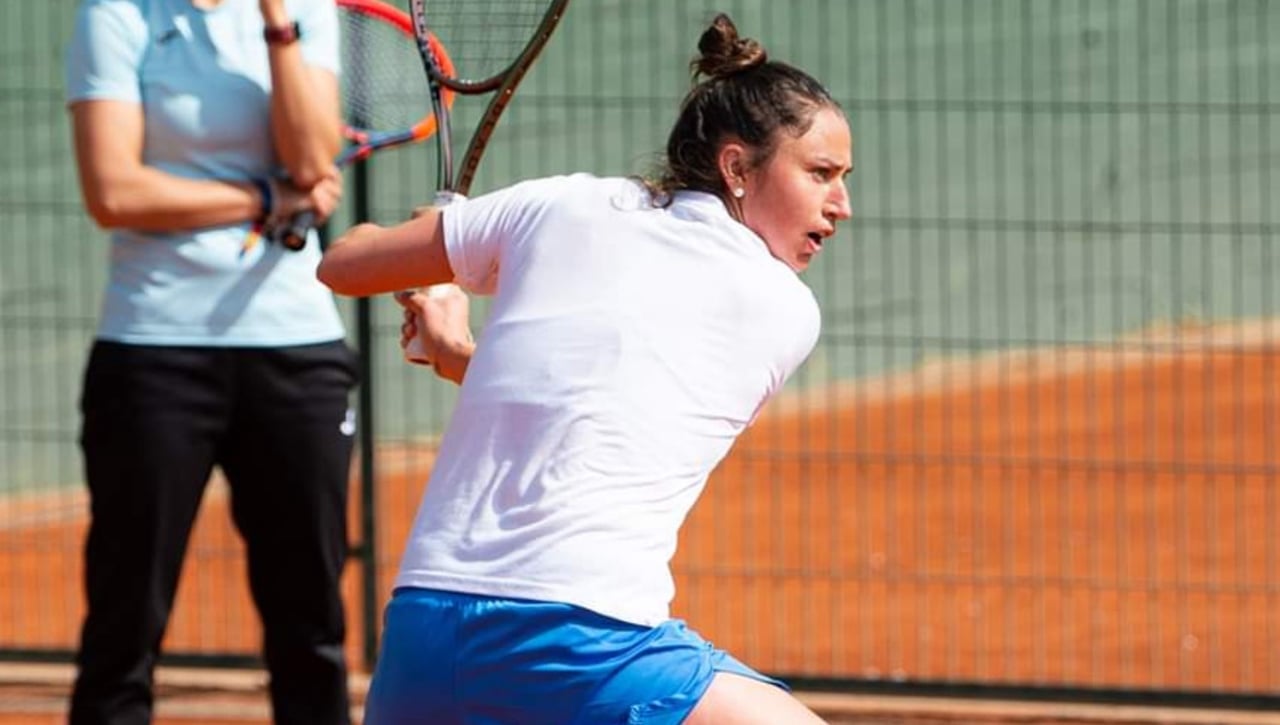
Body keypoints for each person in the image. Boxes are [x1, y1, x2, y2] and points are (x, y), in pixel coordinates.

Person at [319, 12, 851, 724]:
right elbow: (618, 406)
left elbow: (342, 264)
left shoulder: (559, 201)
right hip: (583, 646)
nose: (842, 205)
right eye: (821, 174)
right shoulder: (784, 310)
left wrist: (435, 259)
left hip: (423, 639)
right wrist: (458, 336)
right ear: (736, 168)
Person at [64, 0, 357, 723]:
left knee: (311, 626)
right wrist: (265, 195)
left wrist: (277, 23)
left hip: (296, 349)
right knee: (124, 624)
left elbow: (313, 162)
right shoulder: (116, 13)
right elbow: (114, 191)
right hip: (153, 349)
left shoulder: (302, 11)